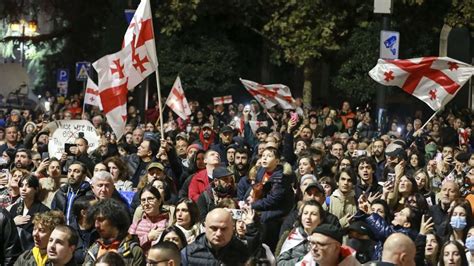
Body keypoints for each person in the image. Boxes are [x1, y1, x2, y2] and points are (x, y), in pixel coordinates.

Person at [84, 198, 145, 265]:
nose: (96, 225)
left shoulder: (133, 251)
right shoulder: (94, 248)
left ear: (115, 220)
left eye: (101, 220)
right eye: (94, 220)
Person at [181, 208, 250, 265]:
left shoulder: (243, 251)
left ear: (232, 228)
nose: (218, 234)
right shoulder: (189, 254)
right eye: (214, 228)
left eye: (223, 229)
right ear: (205, 227)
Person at [277, 200, 324, 265]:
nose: (308, 217)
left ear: (320, 219)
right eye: (305, 213)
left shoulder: (325, 240)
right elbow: (281, 263)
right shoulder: (293, 236)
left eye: (314, 214)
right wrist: (303, 260)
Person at [9, 175, 50, 249]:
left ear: (36, 189)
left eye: (28, 186)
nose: (23, 189)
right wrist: (13, 223)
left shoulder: (44, 211)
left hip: (32, 250)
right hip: (13, 249)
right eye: (21, 186)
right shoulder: (14, 208)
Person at [128, 185, 171, 254]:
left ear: (159, 201)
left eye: (150, 199)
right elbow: (127, 246)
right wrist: (148, 237)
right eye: (143, 200)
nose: (146, 203)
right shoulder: (137, 223)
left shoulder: (167, 223)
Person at [51, 161, 93, 226]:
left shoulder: (89, 194)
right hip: (62, 231)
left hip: (79, 234)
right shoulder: (60, 192)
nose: (71, 174)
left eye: (76, 171)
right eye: (69, 171)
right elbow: (53, 213)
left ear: (84, 176)